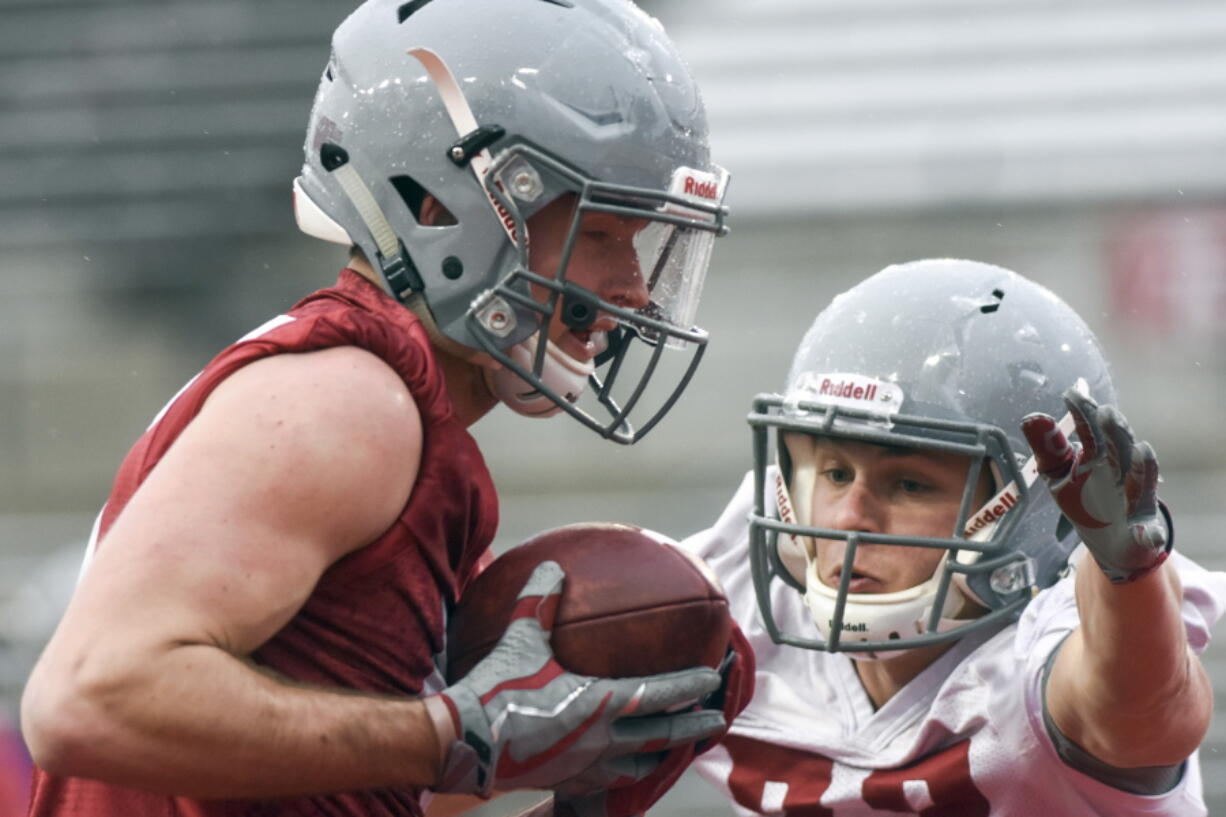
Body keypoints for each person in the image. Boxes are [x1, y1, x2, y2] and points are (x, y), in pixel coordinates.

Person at [18, 1, 741, 815]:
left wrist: (574, 781)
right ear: (441, 210)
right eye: (603, 233)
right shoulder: (351, 402)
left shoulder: (405, 419)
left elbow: (364, 787)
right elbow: (88, 698)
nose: (635, 289)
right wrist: (453, 734)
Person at [681, 259, 1226, 816]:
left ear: (1032, 511)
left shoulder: (1052, 642)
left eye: (909, 484)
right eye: (836, 473)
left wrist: (1129, 582)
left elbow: (1140, 718)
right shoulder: (726, 600)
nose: (849, 518)